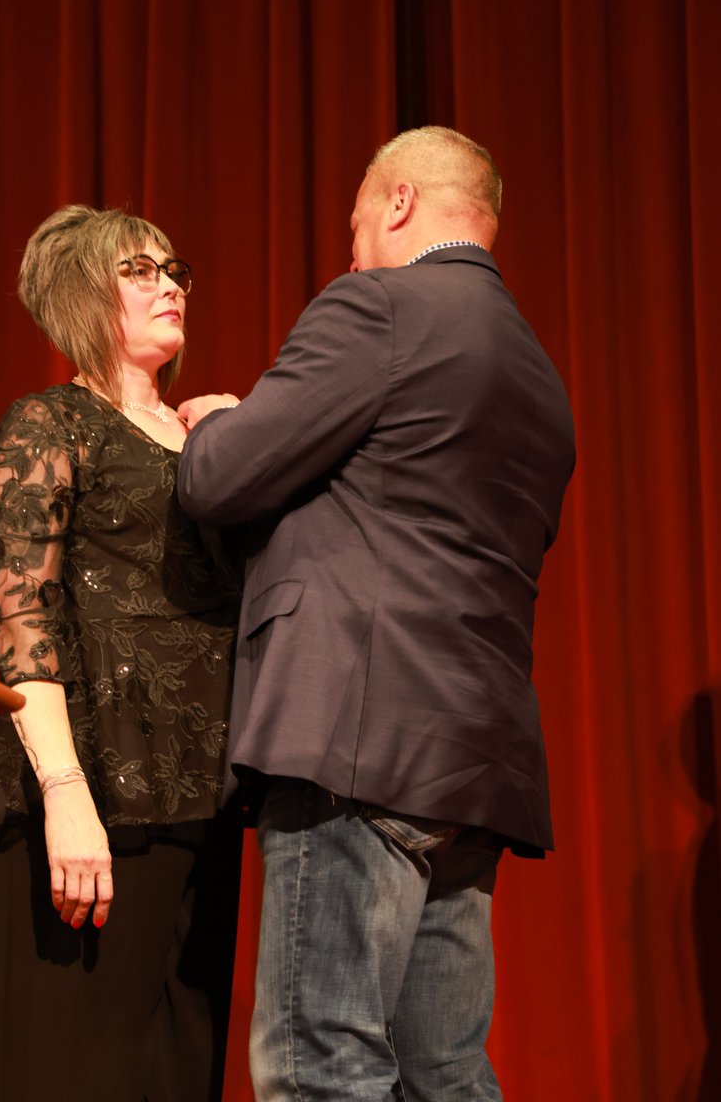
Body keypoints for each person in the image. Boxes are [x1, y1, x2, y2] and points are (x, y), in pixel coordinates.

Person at [176, 126, 576, 1101]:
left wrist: (213, 423)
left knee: (322, 1063)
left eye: (356, 224)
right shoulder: (542, 380)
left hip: (357, 739)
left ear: (396, 204)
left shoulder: (383, 307)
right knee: (445, 1076)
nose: (349, 251)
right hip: (470, 766)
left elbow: (224, 481)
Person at [0, 204, 241, 1102]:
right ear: (85, 294)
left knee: (178, 1066)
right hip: (95, 792)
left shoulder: (211, 436)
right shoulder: (50, 425)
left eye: (175, 268)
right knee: (78, 1071)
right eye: (139, 270)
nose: (171, 284)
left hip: (201, 790)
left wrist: (246, 441)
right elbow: (24, 625)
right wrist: (65, 796)